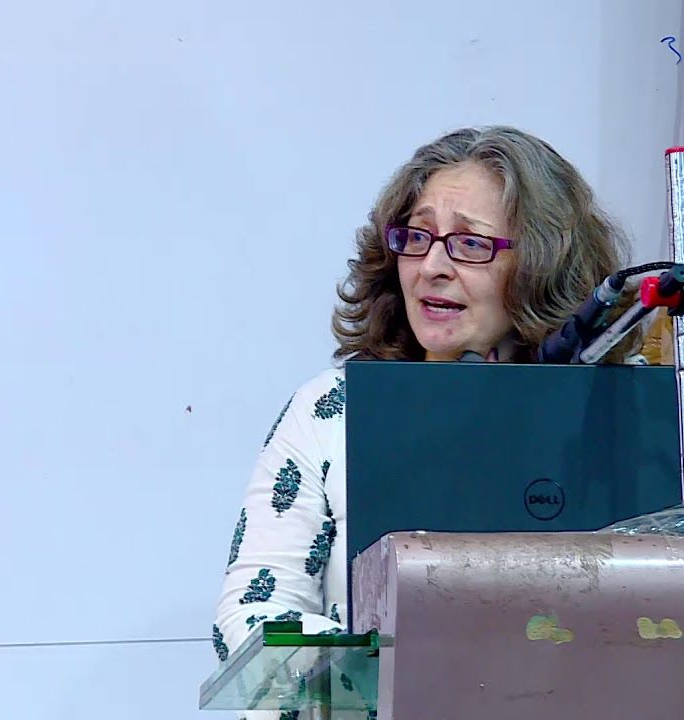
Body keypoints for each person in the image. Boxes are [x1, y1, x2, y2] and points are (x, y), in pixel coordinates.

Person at [212, 126, 643, 669]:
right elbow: (250, 618)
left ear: (541, 266)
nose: (432, 266)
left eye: (470, 244)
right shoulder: (332, 410)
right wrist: (391, 664)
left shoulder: (617, 412)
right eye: (417, 237)